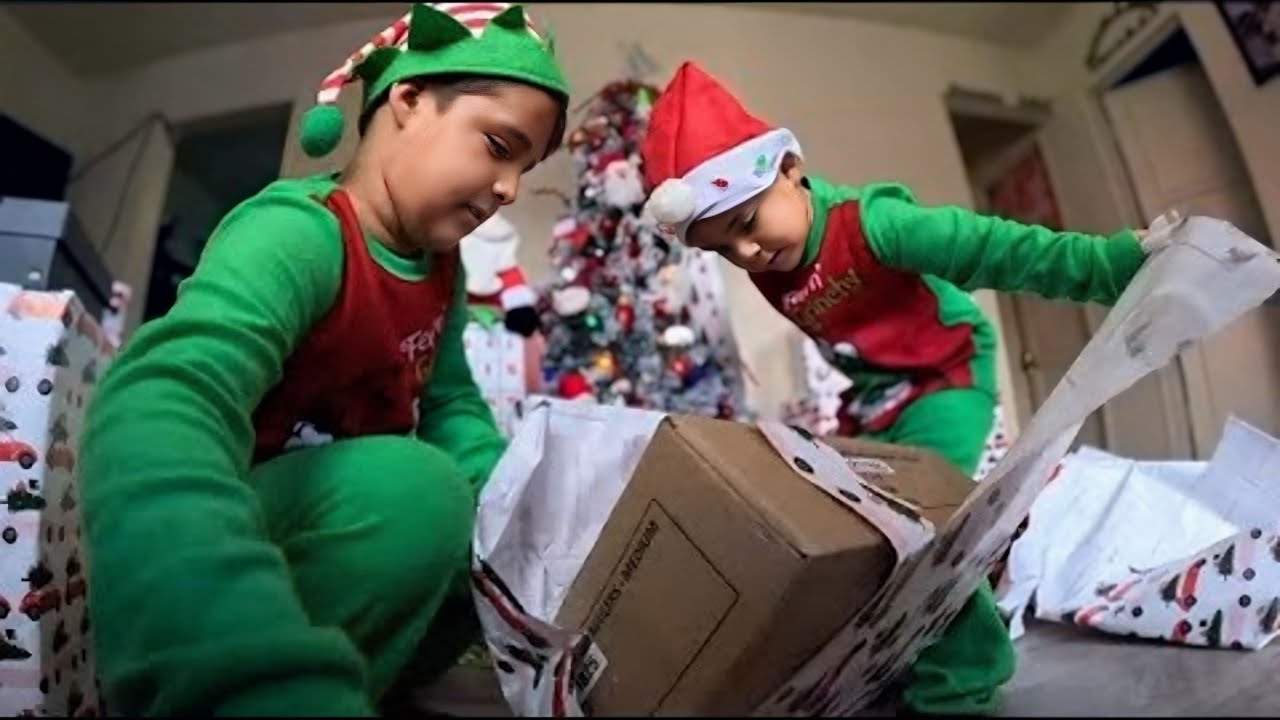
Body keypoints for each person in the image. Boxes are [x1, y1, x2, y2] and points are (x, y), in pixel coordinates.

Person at [78, 3, 569, 715]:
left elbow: (450, 404)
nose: (509, 189)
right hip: (238, 541)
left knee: (479, 528)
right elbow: (165, 400)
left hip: (338, 540)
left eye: (526, 168)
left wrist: (515, 511)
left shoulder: (443, 268)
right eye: (499, 145)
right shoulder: (299, 233)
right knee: (417, 491)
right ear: (408, 100)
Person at [639, 61, 1164, 716]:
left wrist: (1106, 266)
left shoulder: (875, 225)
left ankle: (963, 679)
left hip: (945, 374)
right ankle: (895, 650)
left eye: (746, 223)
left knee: (924, 529)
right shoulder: (766, 263)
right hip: (877, 397)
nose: (745, 253)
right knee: (844, 523)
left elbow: (996, 248)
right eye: (722, 248)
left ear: (791, 168)